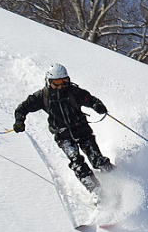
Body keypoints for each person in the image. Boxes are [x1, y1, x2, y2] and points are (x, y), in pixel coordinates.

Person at [13, 63, 113, 192]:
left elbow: (91, 99)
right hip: (63, 136)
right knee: (77, 163)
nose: (61, 86)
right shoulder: (43, 96)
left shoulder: (73, 92)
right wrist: (19, 121)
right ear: (49, 81)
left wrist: (97, 106)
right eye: (57, 83)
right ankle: (97, 192)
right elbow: (22, 108)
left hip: (82, 131)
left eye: (64, 82)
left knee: (97, 160)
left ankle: (118, 179)